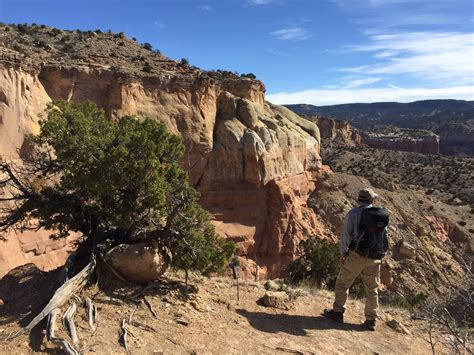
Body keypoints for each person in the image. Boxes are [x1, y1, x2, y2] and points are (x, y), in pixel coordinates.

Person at [323, 187, 389, 331]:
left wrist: (343, 253)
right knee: (372, 289)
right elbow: (385, 237)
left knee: (342, 283)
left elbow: (346, 236)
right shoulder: (380, 215)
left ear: (359, 199)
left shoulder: (353, 214)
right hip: (375, 256)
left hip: (356, 255)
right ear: (373, 200)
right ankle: (371, 320)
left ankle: (338, 313)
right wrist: (381, 254)